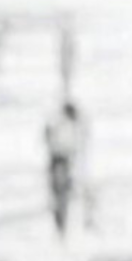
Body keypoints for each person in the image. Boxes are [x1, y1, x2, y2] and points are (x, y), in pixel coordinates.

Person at [43, 99, 88, 240]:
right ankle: (60, 227)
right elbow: (49, 136)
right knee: (60, 194)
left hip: (63, 161)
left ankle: (61, 227)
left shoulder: (64, 125)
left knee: (62, 195)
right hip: (60, 160)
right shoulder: (61, 124)